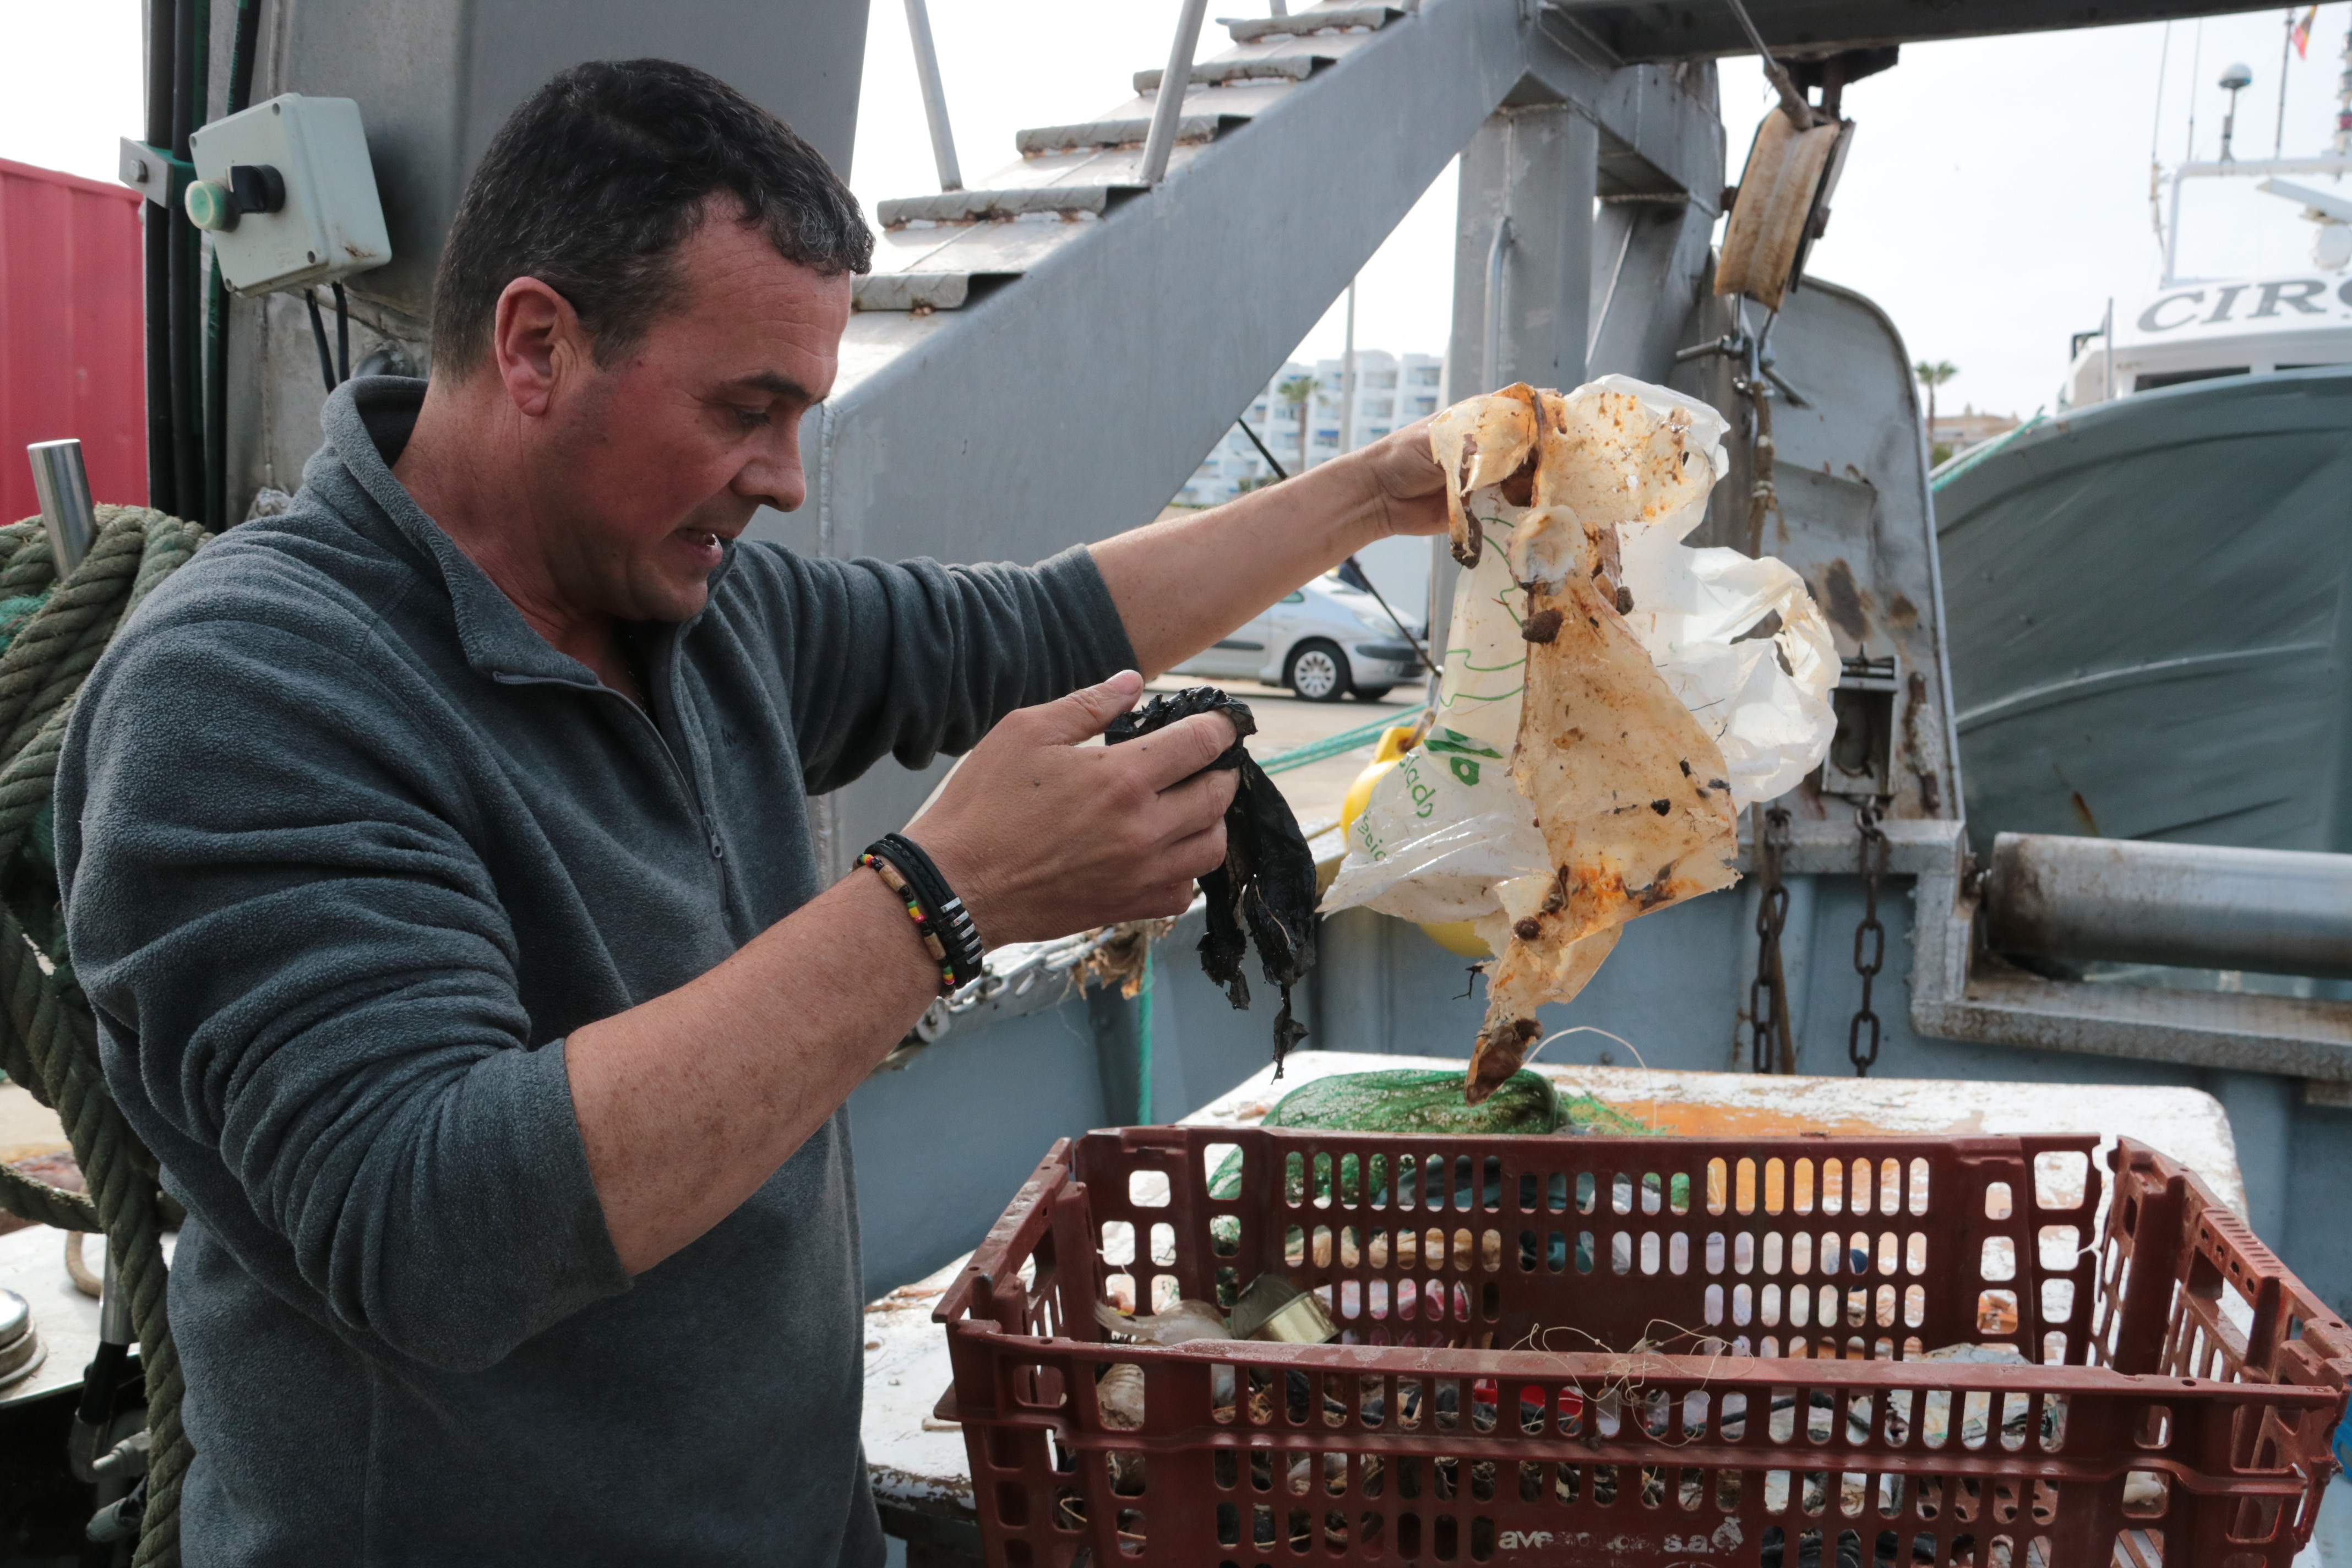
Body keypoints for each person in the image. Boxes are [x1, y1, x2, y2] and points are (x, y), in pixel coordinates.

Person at [56, 58, 1444, 1565]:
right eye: (747, 408)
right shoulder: (246, 693)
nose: (783, 480)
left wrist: (1371, 494)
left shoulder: (708, 607)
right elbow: (432, 1232)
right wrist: (936, 905)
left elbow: (1045, 630)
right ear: (537, 347)